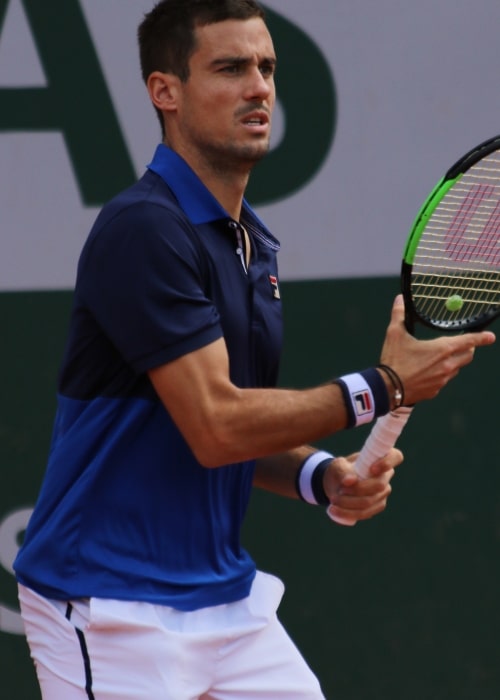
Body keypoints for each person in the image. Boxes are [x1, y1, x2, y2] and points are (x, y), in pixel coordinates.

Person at [13, 1, 495, 698]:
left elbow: (219, 426)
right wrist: (383, 385)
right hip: (110, 606)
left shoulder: (250, 243)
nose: (260, 87)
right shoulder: (144, 231)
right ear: (165, 92)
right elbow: (216, 427)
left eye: (267, 67)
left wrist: (320, 476)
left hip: (224, 600)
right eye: (231, 68)